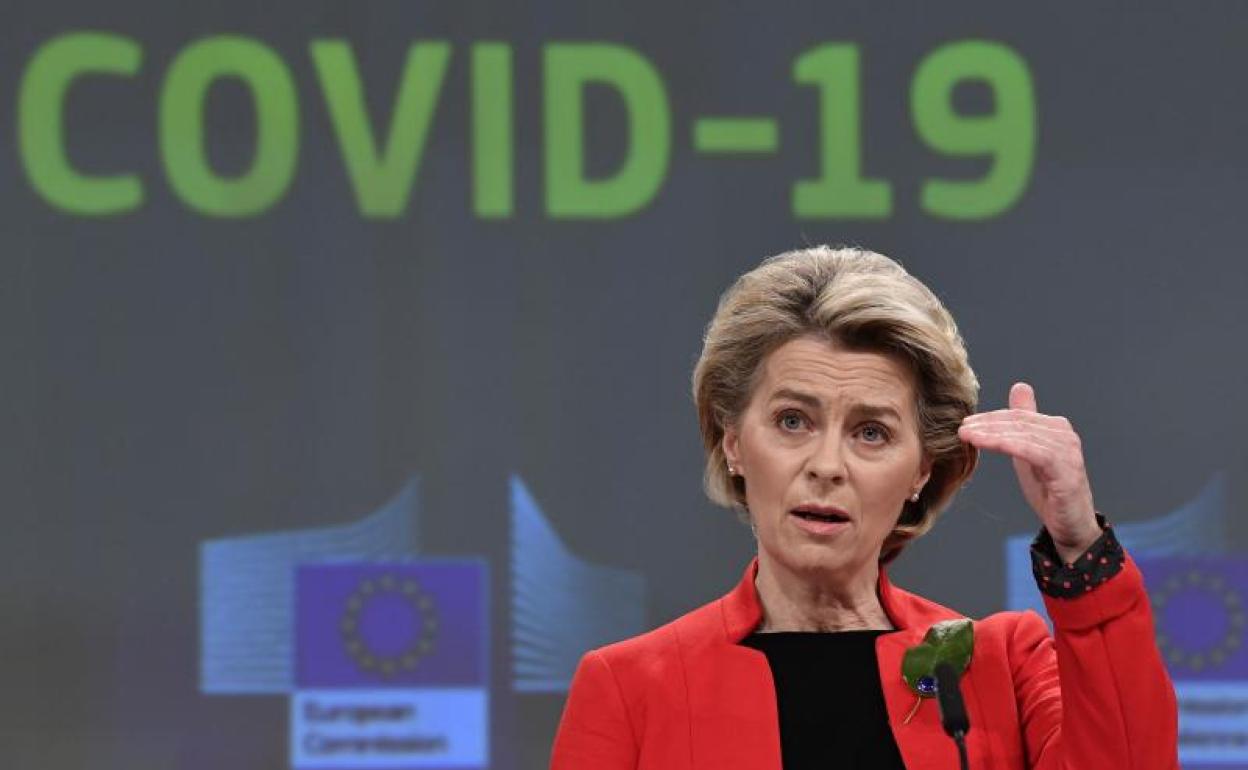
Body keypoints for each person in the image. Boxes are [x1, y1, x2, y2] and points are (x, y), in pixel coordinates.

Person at [549, 246, 1178, 769]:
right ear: (733, 441)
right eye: (792, 420)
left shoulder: (996, 666)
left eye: (871, 432)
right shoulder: (632, 688)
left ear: (921, 470)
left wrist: (1078, 543)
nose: (827, 465)